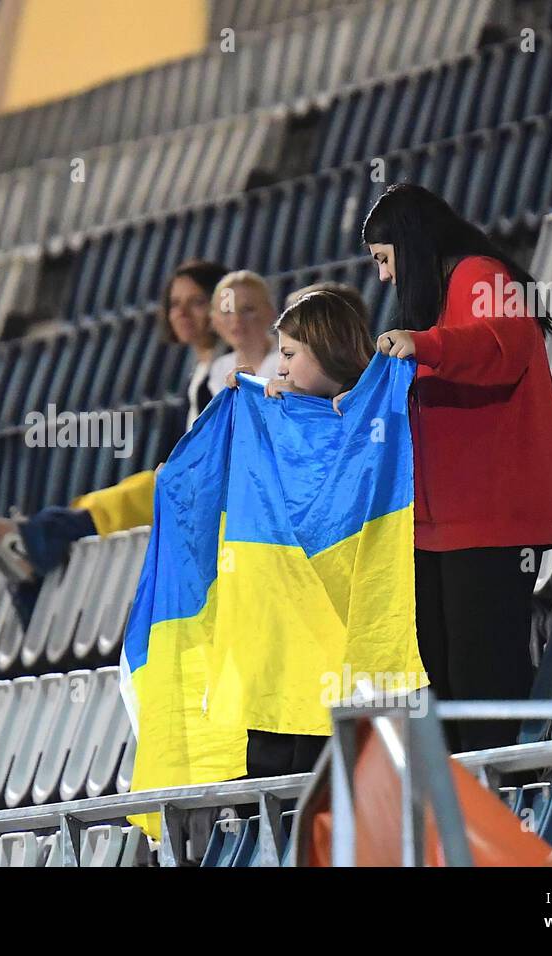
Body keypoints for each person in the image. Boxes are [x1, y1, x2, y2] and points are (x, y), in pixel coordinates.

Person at [361, 182, 552, 754]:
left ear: (407, 244)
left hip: (489, 520)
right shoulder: (438, 298)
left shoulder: (481, 273)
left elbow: (504, 343)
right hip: (437, 525)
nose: (384, 278)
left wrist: (424, 343)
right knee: (442, 677)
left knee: (482, 675)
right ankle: (461, 815)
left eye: (384, 260)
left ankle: (502, 809)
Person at [0, 259, 231, 596]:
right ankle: (28, 552)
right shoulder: (198, 376)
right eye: (174, 304)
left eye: (197, 302)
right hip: (187, 488)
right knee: (103, 501)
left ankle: (29, 539)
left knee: (134, 494)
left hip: (210, 493)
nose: (182, 313)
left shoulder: (230, 370)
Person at [225, 283, 378, 778]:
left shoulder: (374, 415)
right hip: (282, 637)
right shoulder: (283, 412)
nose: (281, 367)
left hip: (338, 643)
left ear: (327, 350)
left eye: (289, 354)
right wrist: (261, 415)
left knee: (324, 781)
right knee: (269, 776)